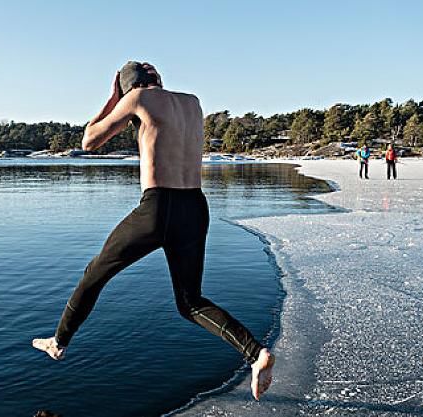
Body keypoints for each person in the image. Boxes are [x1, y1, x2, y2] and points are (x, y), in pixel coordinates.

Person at [32, 61, 275, 400]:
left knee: (95, 273)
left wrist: (113, 98)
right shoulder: (193, 102)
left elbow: (89, 141)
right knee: (191, 302)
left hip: (158, 208)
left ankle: (59, 342)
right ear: (158, 78)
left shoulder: (136, 100)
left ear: (128, 88)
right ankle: (256, 354)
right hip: (195, 207)